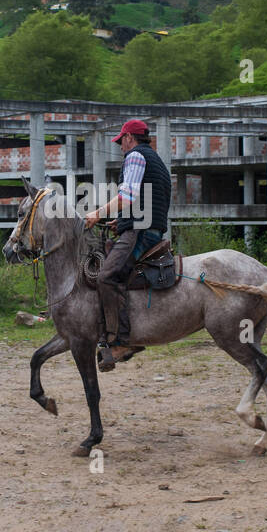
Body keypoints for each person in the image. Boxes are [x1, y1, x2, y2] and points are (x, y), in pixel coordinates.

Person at [83, 118, 171, 372]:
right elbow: (145, 201)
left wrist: (97, 214)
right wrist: (120, 222)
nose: (120, 146)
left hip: (140, 232)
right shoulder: (156, 161)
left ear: (130, 138)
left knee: (107, 277)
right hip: (149, 228)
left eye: (121, 141)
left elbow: (127, 196)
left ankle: (121, 341)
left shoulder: (134, 157)